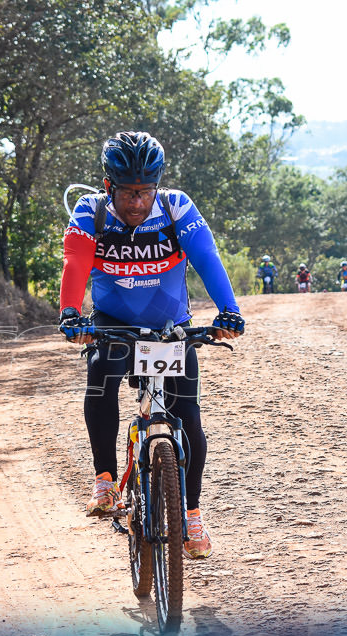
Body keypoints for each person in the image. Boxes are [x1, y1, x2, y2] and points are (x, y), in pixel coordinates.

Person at [58, 130, 244, 560]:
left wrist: (228, 310)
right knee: (102, 374)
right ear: (109, 187)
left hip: (169, 325)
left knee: (189, 417)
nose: (137, 203)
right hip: (113, 322)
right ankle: (105, 479)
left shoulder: (176, 206)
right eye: (128, 194)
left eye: (145, 192)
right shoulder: (91, 211)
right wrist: (71, 313)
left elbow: (206, 256)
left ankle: (192, 514)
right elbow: (76, 261)